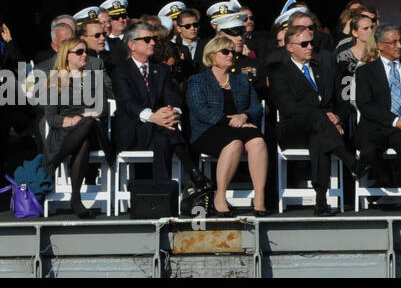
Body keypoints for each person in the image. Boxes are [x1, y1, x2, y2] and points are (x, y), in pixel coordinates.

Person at [270, 22, 368, 215]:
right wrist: (325, 116)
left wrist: (337, 118)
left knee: (320, 139)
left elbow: (343, 102)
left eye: (311, 43)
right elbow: (288, 107)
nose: (310, 47)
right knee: (319, 122)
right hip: (293, 129)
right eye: (304, 44)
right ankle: (351, 162)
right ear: (290, 47)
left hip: (322, 130)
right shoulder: (279, 73)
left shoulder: (324, 70)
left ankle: (321, 202)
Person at [113, 22, 209, 198]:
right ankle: (194, 173)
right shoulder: (121, 71)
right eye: (147, 39)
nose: (152, 43)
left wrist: (173, 113)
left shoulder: (161, 69)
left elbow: (172, 98)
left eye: (154, 39)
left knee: (163, 139)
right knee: (165, 132)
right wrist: (153, 117)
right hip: (134, 131)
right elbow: (128, 103)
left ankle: (162, 197)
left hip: (161, 128)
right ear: (132, 45)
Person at [186, 35, 269, 216]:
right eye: (225, 51)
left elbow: (256, 106)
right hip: (209, 129)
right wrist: (230, 121)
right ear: (212, 55)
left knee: (258, 142)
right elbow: (200, 109)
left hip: (240, 125)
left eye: (232, 52)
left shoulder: (241, 79)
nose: (230, 55)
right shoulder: (198, 80)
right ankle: (220, 197)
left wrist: (244, 115)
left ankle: (260, 197)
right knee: (234, 143)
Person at [42, 37, 114, 218]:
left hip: (94, 131)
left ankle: (53, 161)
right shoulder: (55, 81)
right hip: (66, 134)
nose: (85, 56)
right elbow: (51, 118)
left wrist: (80, 118)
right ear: (67, 56)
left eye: (86, 52)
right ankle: (76, 199)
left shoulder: (93, 78)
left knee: (88, 124)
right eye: (80, 52)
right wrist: (69, 121)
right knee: (84, 141)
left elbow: (103, 109)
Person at [355, 26, 401, 188]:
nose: (399, 46)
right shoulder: (366, 72)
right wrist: (395, 121)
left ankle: (392, 180)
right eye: (393, 42)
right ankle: (387, 180)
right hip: (376, 126)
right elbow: (365, 105)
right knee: (369, 151)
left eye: (400, 41)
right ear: (380, 45)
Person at [337, 11, 378, 78]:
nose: (371, 31)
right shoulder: (344, 57)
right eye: (365, 28)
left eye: (372, 27)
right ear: (355, 33)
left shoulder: (380, 52)